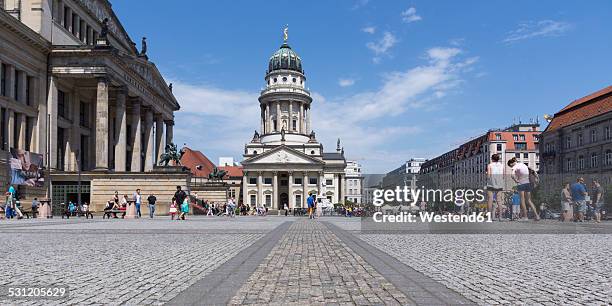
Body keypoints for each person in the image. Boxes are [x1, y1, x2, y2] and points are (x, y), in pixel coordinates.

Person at [486, 154, 505, 220]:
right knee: (499, 200)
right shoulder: (502, 165)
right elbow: (503, 175)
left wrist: (487, 176)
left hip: (491, 184)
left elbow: (488, 175)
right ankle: (500, 217)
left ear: (492, 159)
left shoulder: (490, 165)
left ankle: (489, 217)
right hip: (499, 184)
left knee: (490, 199)